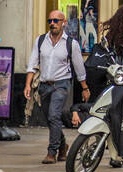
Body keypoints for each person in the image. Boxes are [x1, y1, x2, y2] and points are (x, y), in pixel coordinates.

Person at [23, 9, 89, 163]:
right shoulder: (40, 41)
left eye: (56, 21)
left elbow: (80, 69)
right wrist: (28, 85)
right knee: (50, 118)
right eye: (50, 21)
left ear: (63, 23)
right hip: (44, 85)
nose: (52, 24)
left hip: (61, 84)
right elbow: (32, 64)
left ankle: (51, 152)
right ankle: (62, 145)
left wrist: (85, 88)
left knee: (54, 115)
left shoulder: (71, 44)